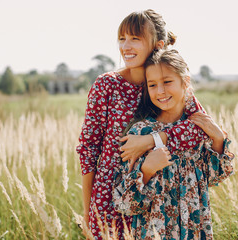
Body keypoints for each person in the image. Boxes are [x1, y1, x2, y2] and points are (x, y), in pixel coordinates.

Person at [76, 9, 177, 239]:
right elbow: (88, 149)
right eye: (122, 38)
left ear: (158, 44)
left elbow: (194, 128)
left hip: (157, 200)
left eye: (135, 38)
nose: (125, 46)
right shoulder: (106, 85)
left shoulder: (168, 85)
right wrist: (88, 211)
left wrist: (150, 141)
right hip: (109, 199)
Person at [113, 49, 235, 239]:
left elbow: (215, 177)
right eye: (152, 85)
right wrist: (147, 170)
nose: (160, 91)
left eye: (167, 82)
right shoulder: (141, 133)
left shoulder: (198, 128)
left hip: (194, 229)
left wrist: (218, 139)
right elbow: (126, 205)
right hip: (154, 233)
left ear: (185, 82)